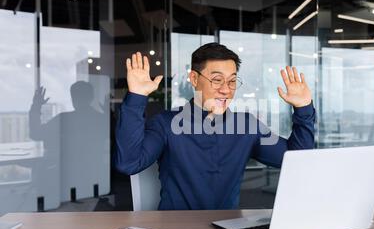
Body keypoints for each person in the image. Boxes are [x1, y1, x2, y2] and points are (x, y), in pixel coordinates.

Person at [114, 43, 315, 210]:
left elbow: (299, 160)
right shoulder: (166, 124)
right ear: (194, 79)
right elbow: (128, 163)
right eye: (217, 80)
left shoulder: (246, 126)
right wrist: (137, 97)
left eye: (232, 81)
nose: (226, 89)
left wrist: (303, 108)